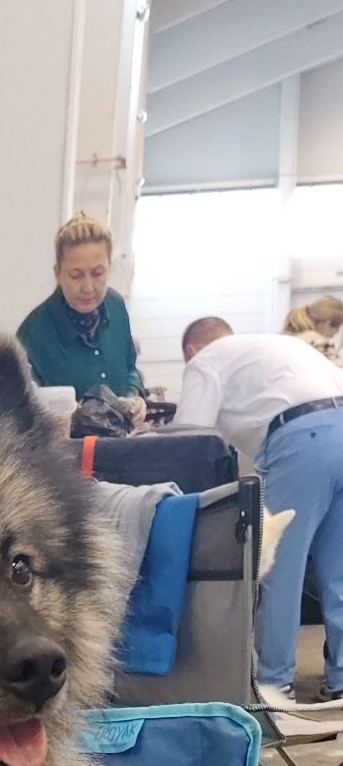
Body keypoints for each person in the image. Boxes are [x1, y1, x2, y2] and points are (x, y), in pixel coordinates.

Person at [175, 317, 343, 705]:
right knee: (338, 572)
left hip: (303, 440)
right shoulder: (274, 348)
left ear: (190, 350)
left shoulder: (204, 361)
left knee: (279, 568)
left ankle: (274, 686)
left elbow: (189, 441)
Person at [17, 213, 146, 414]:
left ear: (109, 269)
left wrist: (134, 397)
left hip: (123, 431)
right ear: (58, 274)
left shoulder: (116, 307)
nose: (88, 287)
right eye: (76, 275)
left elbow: (130, 369)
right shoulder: (34, 333)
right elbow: (22, 410)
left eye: (98, 274)